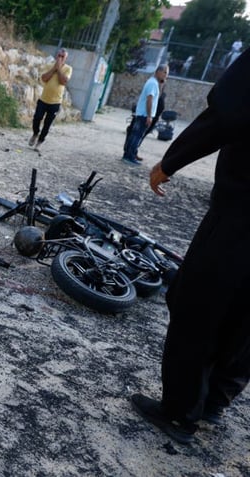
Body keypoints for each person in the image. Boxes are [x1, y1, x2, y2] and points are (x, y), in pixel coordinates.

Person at [129, 49, 250, 446]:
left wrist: (171, 161)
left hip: (241, 214)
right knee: (244, 316)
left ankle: (181, 412)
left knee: (195, 303)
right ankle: (215, 400)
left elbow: (228, 115)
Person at [122, 64, 168, 165]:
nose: (166, 75)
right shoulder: (152, 83)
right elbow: (150, 100)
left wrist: (161, 85)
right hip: (144, 114)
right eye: (165, 72)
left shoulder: (154, 83)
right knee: (136, 136)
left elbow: (157, 97)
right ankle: (129, 156)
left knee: (135, 135)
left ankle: (129, 155)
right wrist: (149, 115)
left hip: (142, 113)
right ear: (158, 71)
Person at [29, 48, 72, 150]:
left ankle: (40, 141)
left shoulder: (68, 69)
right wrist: (54, 69)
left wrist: (59, 70)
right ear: (56, 56)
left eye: (63, 57)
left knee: (47, 124)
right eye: (59, 56)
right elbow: (44, 78)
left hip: (55, 102)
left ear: (66, 58)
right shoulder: (49, 66)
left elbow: (63, 81)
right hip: (44, 99)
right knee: (37, 118)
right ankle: (35, 134)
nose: (60, 58)